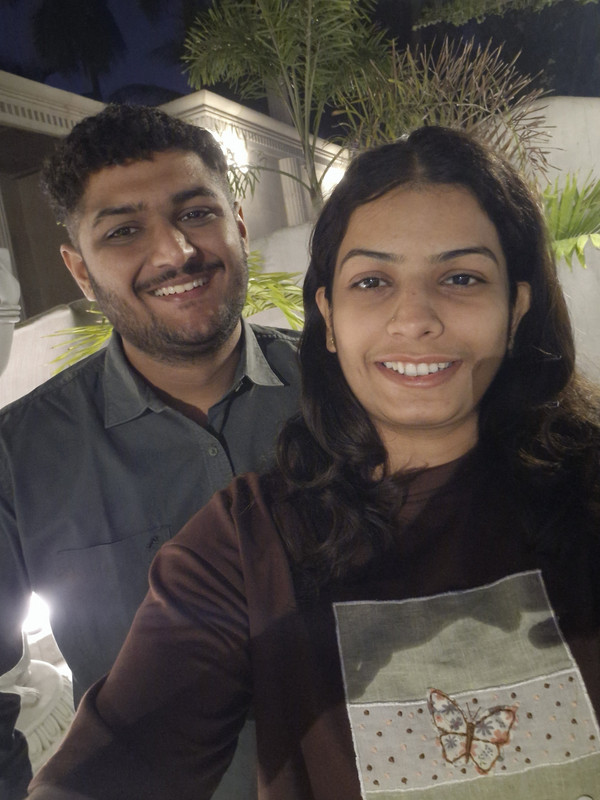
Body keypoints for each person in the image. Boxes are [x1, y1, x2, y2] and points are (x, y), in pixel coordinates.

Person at [28, 126, 600, 800]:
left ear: (517, 307)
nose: (415, 319)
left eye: (461, 277)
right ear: (328, 315)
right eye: (373, 281)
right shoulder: (245, 540)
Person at [0, 104, 301, 799]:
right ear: (80, 271)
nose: (174, 252)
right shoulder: (18, 460)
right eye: (124, 231)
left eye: (196, 213)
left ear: (239, 225)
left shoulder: (354, 394)